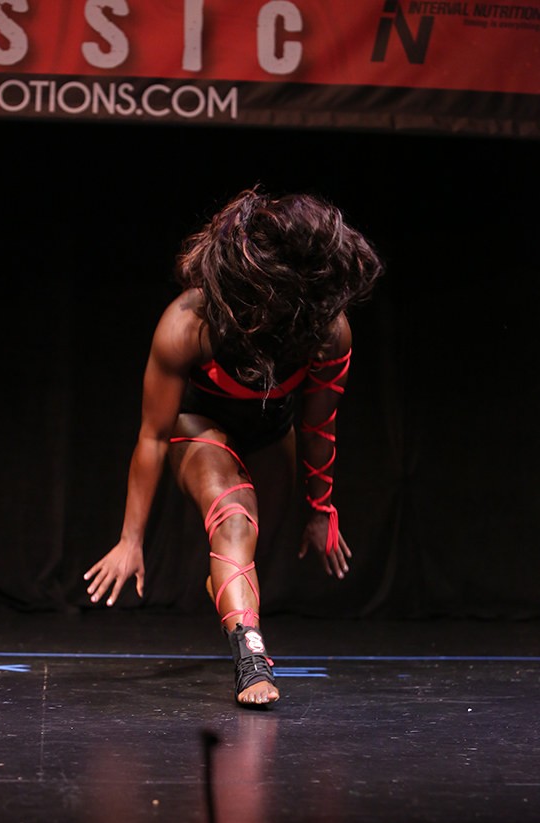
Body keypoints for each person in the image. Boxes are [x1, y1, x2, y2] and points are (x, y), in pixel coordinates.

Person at [84, 188, 382, 706]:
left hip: (272, 434)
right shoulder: (189, 323)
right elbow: (152, 436)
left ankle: (232, 605)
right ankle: (251, 662)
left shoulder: (327, 331)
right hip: (197, 426)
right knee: (235, 519)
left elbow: (319, 425)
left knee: (247, 552)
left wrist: (321, 507)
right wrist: (131, 539)